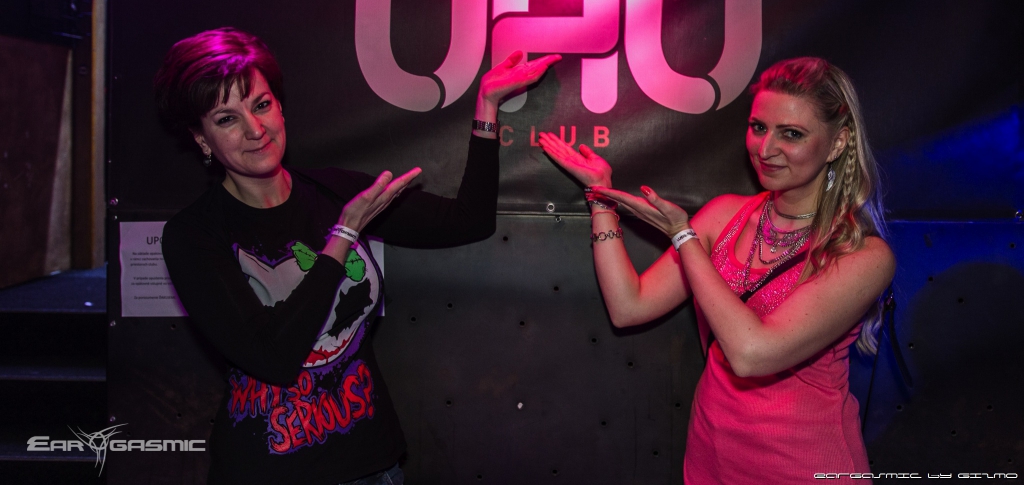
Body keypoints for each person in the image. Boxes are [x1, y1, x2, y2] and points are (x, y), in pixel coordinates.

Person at [155, 28, 558, 485]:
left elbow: (469, 221)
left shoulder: (332, 192)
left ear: (280, 106)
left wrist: (487, 106)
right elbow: (274, 358)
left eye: (261, 105)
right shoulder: (194, 235)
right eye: (227, 118)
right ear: (201, 138)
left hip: (373, 465)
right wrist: (343, 235)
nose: (255, 129)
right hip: (271, 472)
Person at [539, 57, 895, 483]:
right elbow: (628, 307)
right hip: (713, 456)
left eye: (792, 134)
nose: (765, 149)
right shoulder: (725, 215)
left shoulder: (861, 255)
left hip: (804, 466)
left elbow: (751, 354)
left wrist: (683, 236)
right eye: (759, 127)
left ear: (837, 144)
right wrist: (601, 197)